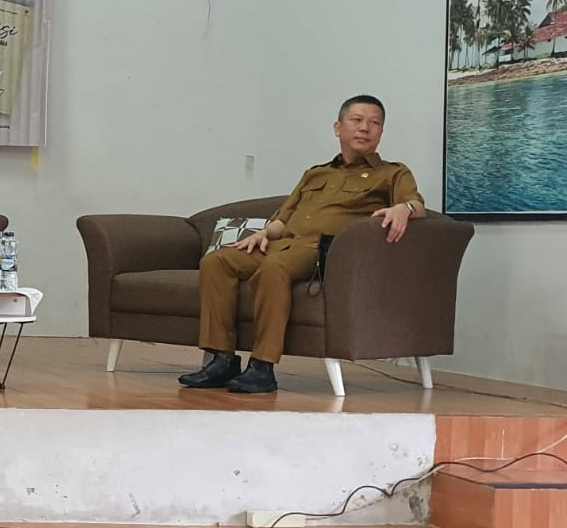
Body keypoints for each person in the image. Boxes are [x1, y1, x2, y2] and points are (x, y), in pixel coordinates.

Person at [180, 94, 425, 394]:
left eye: (374, 123)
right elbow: (284, 218)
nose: (365, 128)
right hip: (284, 244)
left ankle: (262, 367)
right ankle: (222, 360)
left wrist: (405, 209)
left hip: (322, 251)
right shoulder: (315, 173)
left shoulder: (392, 173)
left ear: (381, 133)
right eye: (357, 120)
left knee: (274, 267)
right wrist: (264, 233)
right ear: (338, 128)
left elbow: (416, 204)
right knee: (217, 261)